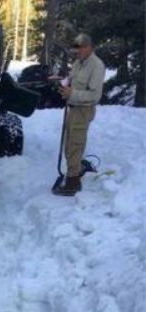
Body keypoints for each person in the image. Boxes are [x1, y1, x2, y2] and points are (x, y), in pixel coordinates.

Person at [53, 33, 105, 196]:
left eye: (82, 47)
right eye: (77, 47)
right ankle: (76, 168)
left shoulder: (97, 66)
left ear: (90, 47)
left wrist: (72, 93)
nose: (78, 50)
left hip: (83, 110)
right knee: (69, 144)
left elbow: (94, 96)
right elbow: (72, 81)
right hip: (72, 108)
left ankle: (73, 182)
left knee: (75, 145)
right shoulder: (78, 63)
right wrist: (63, 81)